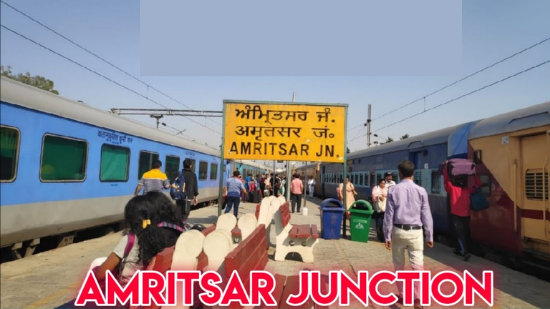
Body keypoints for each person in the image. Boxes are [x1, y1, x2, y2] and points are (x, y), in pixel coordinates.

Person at [91, 192, 185, 288]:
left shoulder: (131, 239)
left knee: (96, 264)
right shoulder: (171, 236)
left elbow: (100, 275)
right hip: (155, 289)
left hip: (128, 294)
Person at [384, 161, 433, 309]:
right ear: (413, 173)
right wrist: (429, 235)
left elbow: (388, 215)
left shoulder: (393, 190)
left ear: (399, 173)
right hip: (416, 232)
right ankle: (418, 298)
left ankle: (404, 296)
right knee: (417, 265)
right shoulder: (421, 190)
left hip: (398, 230)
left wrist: (387, 235)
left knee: (399, 264)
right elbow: (426, 214)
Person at [443, 160, 482, 261]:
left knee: (461, 233)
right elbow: (478, 185)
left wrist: (446, 168)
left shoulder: (453, 188)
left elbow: (446, 180)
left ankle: (459, 249)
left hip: (458, 215)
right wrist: (474, 174)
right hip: (464, 215)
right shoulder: (467, 189)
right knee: (462, 233)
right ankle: (464, 252)